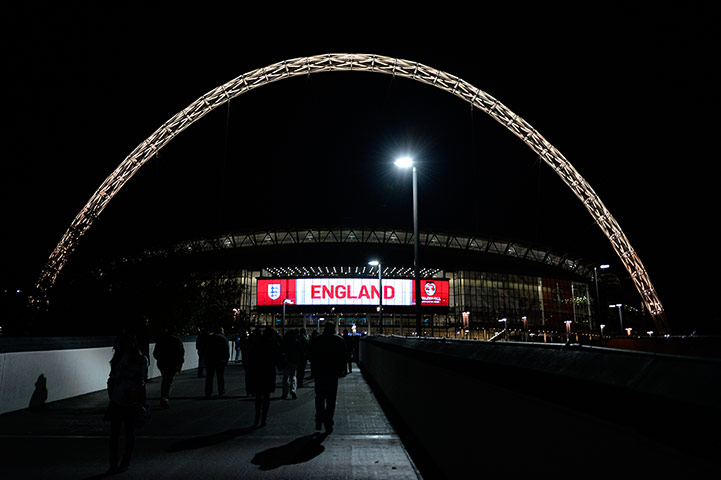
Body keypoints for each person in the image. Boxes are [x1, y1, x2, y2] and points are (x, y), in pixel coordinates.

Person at [104, 331, 149, 474]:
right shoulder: (140, 359)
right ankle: (121, 463)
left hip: (124, 399)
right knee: (124, 433)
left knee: (119, 433)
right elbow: (142, 380)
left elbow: (113, 378)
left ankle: (117, 463)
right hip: (127, 398)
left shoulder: (120, 359)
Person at [308, 322, 347, 434]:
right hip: (332, 373)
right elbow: (344, 357)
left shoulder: (316, 340)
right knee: (331, 399)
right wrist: (342, 369)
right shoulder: (339, 340)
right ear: (333, 329)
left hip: (320, 373)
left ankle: (319, 420)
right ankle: (328, 421)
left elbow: (310, 355)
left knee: (319, 398)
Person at [245, 327, 280, 427]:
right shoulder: (273, 344)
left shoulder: (257, 344)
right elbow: (278, 357)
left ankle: (257, 417)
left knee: (259, 396)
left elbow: (251, 358)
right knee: (266, 396)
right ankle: (263, 418)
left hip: (258, 372)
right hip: (269, 372)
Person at [152, 329, 185, 408]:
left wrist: (160, 358)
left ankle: (164, 396)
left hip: (162, 363)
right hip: (172, 363)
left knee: (165, 378)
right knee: (169, 380)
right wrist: (180, 364)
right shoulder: (177, 340)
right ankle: (165, 397)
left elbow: (155, 353)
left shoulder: (161, 340)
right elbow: (181, 353)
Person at [204, 327, 229, 398]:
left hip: (210, 360)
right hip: (220, 360)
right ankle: (221, 390)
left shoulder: (209, 338)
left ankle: (208, 391)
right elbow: (226, 349)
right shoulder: (223, 338)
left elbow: (206, 348)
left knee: (209, 376)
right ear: (221, 331)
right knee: (220, 376)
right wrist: (226, 359)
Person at [280, 329, 302, 399]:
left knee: (286, 377)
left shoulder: (285, 342)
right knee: (293, 376)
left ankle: (285, 392)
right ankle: (293, 390)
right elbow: (300, 352)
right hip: (294, 361)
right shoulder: (297, 342)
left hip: (287, 361)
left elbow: (282, 351)